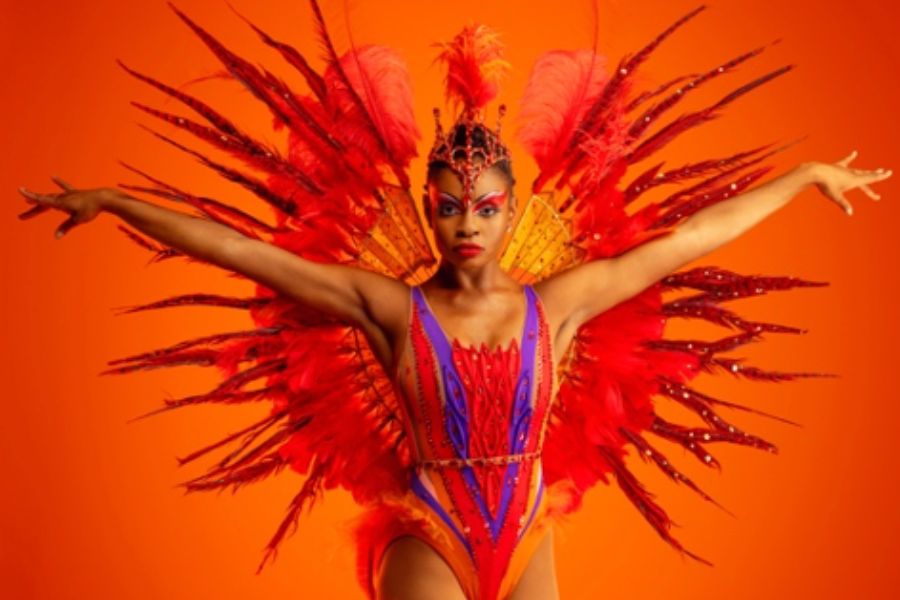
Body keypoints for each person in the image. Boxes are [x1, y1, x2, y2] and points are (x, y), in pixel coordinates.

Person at [15, 3, 892, 599]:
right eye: (448, 206)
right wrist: (117, 202)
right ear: (427, 207)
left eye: (485, 207)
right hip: (429, 534)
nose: (466, 223)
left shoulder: (562, 303)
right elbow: (244, 250)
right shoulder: (390, 308)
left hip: (528, 531)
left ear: (512, 210)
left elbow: (689, 239)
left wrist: (803, 176)